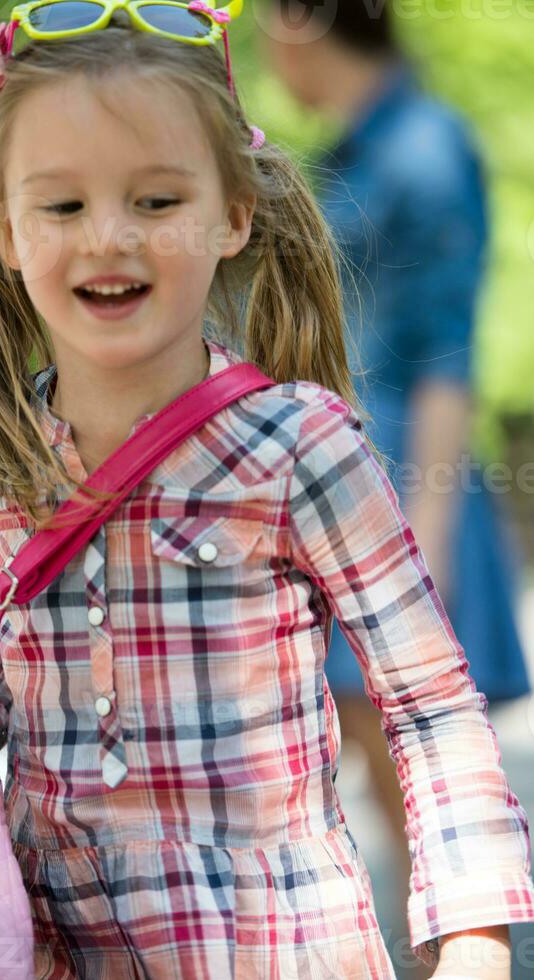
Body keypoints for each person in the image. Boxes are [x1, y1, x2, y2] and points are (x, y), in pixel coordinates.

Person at [0, 2, 534, 977]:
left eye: (156, 201)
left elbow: (431, 702)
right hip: (53, 937)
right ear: (7, 230)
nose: (109, 236)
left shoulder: (300, 447)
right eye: (62, 206)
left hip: (265, 944)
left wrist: (477, 938)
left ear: (232, 215)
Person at [260, 0, 532, 969]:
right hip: (345, 491)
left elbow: (445, 358)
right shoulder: (348, 152)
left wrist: (423, 540)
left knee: (434, 798)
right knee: (389, 792)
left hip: (409, 494)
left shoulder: (425, 146)